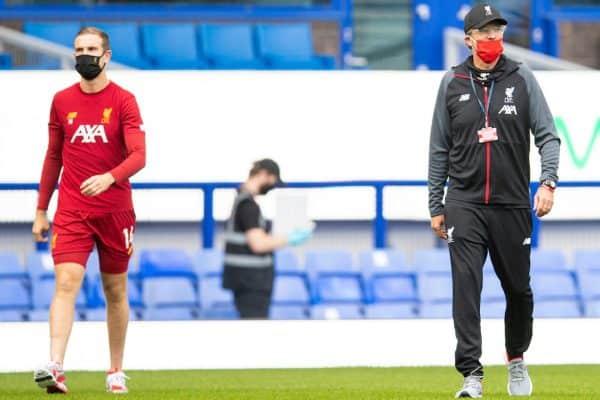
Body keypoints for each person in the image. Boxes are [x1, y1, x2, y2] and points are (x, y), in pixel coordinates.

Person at [428, 4, 560, 398]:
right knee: (466, 288)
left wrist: (548, 182)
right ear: (468, 39)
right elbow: (439, 148)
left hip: (512, 205)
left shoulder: (522, 78)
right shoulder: (451, 83)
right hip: (464, 203)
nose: (492, 40)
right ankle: (472, 374)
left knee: (518, 290)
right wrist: (436, 205)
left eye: (498, 32)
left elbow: (548, 136)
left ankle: (516, 359)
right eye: (485, 33)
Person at [31, 26, 146, 394]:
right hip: (72, 211)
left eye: (92, 49)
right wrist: (40, 209)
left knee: (115, 290)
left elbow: (139, 156)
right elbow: (53, 157)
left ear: (107, 55)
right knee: (66, 283)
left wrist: (110, 177)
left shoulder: (125, 100)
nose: (85, 55)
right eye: (79, 48)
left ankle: (115, 369)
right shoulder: (62, 100)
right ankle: (55, 367)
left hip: (115, 212)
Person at [223, 159, 313, 319]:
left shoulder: (241, 201)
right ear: (263, 174)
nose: (272, 186)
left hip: (244, 279)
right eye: (273, 181)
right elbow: (258, 244)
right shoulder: (248, 206)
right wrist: (290, 239)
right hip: (251, 282)